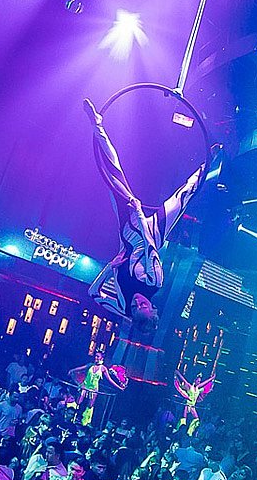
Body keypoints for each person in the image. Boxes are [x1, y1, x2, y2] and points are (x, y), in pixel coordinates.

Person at [83, 97, 206, 332]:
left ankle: (97, 124)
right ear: (153, 307)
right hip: (152, 232)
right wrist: (139, 212)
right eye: (145, 305)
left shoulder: (123, 307)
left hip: (128, 232)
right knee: (182, 197)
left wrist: (109, 268)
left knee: (113, 174)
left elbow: (93, 293)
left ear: (133, 314)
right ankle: (208, 163)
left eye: (137, 307)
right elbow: (150, 246)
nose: (139, 302)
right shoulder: (154, 282)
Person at [68, 351, 127, 426]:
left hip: (94, 389)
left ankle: (85, 422)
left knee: (90, 406)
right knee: (78, 402)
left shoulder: (103, 368)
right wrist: (72, 370)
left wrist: (119, 387)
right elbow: (80, 368)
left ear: (101, 358)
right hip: (85, 386)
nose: (96, 358)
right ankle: (73, 416)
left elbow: (109, 379)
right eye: (95, 356)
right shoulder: (90, 365)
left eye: (98, 356)